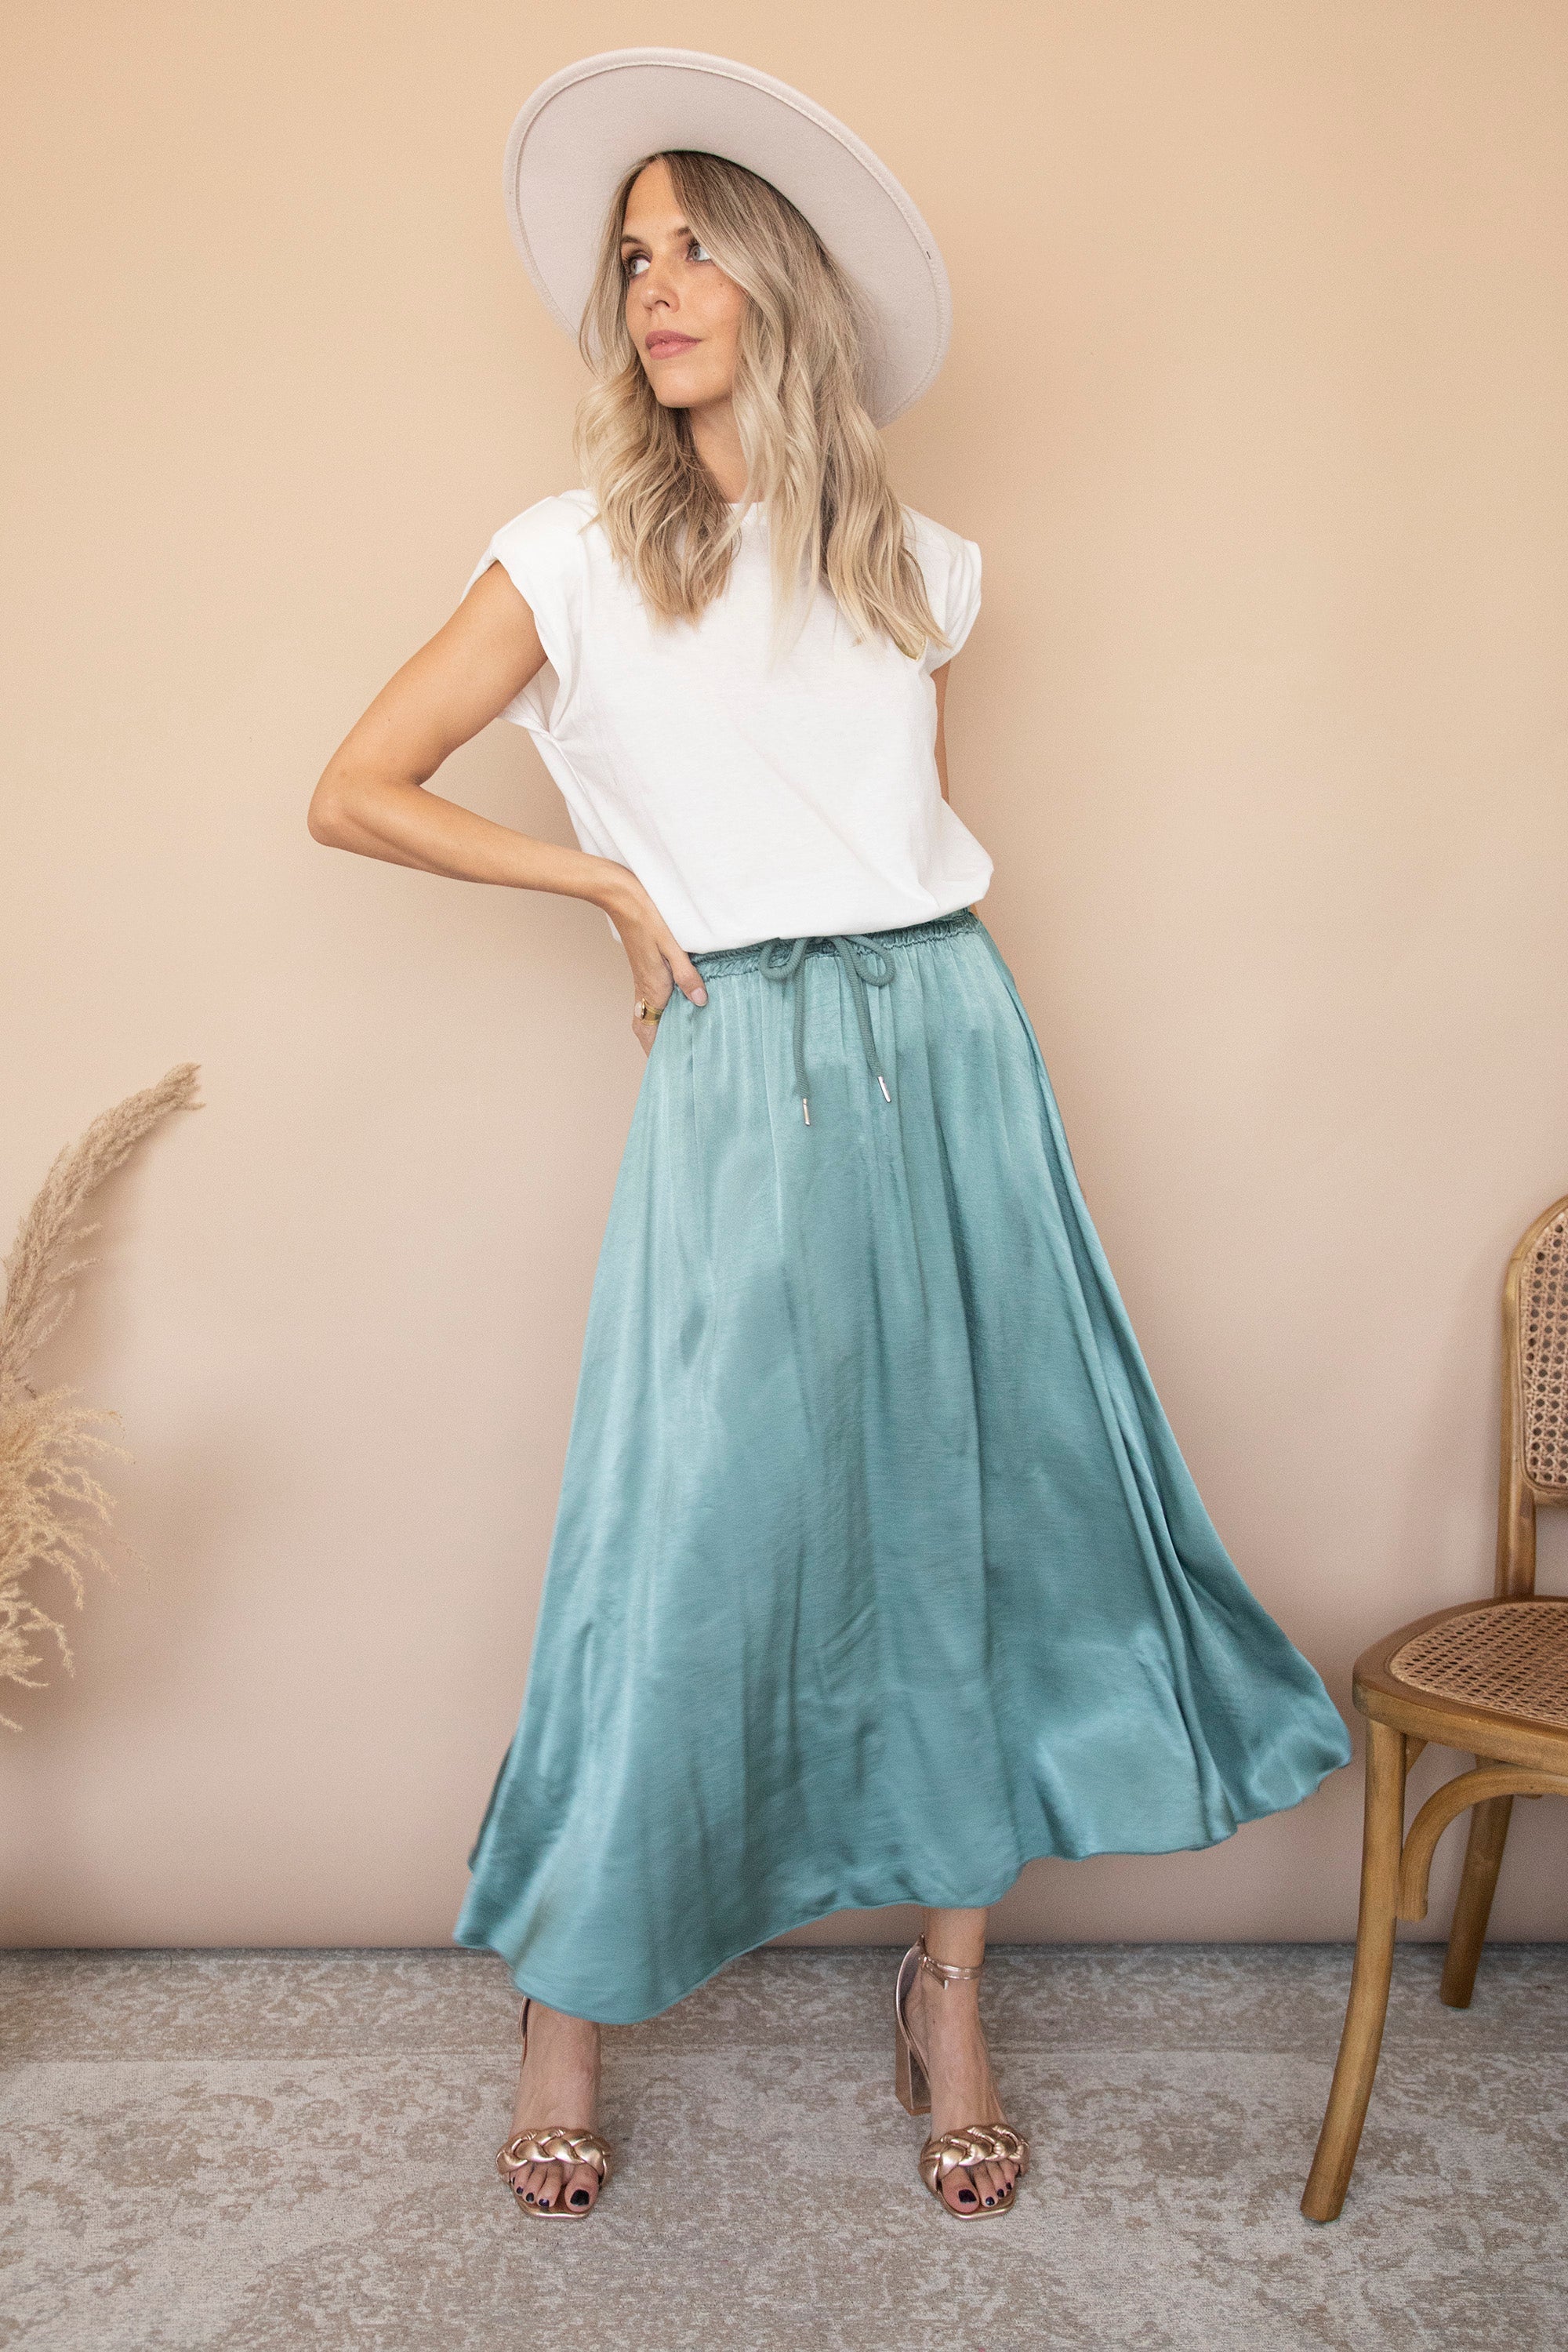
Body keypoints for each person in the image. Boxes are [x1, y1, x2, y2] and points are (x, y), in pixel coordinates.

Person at [308, 49, 1352, 2223]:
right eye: (633, 257)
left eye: (696, 245)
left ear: (785, 282)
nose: (657, 286)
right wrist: (605, 884)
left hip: (949, 1040)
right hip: (744, 1059)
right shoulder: (570, 556)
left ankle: (947, 1995)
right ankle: (567, 2001)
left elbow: (881, 819)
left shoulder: (920, 568)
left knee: (971, 1515)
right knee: (682, 1531)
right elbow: (356, 788)